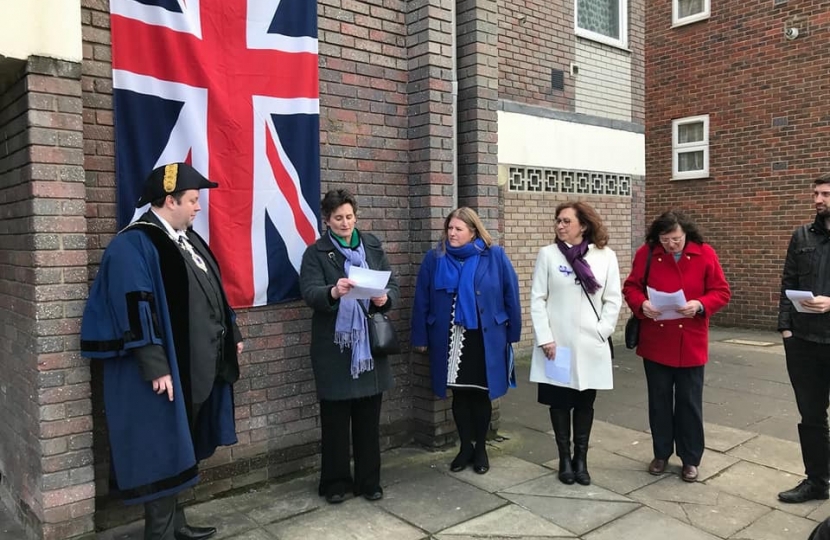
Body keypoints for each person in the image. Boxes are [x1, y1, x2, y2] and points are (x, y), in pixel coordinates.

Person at [80, 163, 243, 540]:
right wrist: (155, 365)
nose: (198, 208)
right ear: (170, 200)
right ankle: (161, 533)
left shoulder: (187, 239)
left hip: (197, 365)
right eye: (192, 200)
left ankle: (178, 525)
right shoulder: (132, 245)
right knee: (162, 449)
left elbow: (215, 289)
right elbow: (134, 307)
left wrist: (229, 331)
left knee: (181, 446)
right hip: (163, 371)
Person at [299, 189, 400, 504]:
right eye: (338, 218)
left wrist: (385, 298)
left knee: (369, 421)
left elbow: (391, 284)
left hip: (368, 347)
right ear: (326, 220)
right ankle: (335, 482)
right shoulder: (315, 253)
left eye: (350, 216)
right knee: (336, 422)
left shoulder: (371, 245)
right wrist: (333, 291)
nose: (345, 223)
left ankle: (370, 481)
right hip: (335, 349)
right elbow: (309, 292)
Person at [411, 207, 521, 475]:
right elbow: (421, 299)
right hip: (450, 337)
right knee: (459, 394)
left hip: (484, 336)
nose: (452, 233)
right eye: (450, 228)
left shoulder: (493, 256)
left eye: (458, 229)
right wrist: (420, 336)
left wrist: (512, 333)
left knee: (481, 393)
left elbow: (511, 293)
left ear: (473, 231)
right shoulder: (435, 258)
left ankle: (481, 448)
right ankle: (464, 448)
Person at [623, 210, 730, 483]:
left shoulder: (705, 253)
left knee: (689, 403)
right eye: (665, 239)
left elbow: (721, 291)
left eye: (676, 239)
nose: (671, 245)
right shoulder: (646, 254)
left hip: (691, 341)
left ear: (686, 234)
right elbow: (632, 287)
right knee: (658, 402)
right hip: (656, 340)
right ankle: (661, 453)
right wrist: (642, 304)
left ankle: (691, 458)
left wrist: (699, 304)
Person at [528, 202, 621, 486]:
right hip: (557, 345)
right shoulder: (548, 254)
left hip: (590, 343)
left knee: (584, 402)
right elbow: (537, 298)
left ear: (584, 225)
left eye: (566, 221)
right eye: (558, 220)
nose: (560, 225)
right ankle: (564, 460)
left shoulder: (605, 256)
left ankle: (581, 460)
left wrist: (602, 331)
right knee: (559, 403)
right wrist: (545, 338)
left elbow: (613, 298)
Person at [777, 173, 830, 504]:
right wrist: (785, 329)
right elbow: (788, 281)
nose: (818, 200)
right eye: (816, 194)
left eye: (825, 194)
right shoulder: (801, 236)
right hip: (803, 342)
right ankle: (817, 481)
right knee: (811, 416)